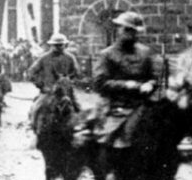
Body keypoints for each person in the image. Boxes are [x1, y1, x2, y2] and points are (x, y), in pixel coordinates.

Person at [91, 11, 158, 148]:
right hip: (116, 106)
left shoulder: (145, 52)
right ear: (119, 29)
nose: (130, 33)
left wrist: (150, 84)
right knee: (113, 143)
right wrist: (127, 85)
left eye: (133, 31)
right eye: (126, 29)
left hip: (142, 105)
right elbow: (99, 84)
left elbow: (152, 77)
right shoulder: (107, 55)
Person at [27, 32, 81, 133]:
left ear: (65, 45)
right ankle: (33, 125)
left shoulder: (70, 57)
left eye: (61, 45)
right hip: (49, 91)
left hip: (66, 92)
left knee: (77, 108)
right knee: (38, 107)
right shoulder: (44, 58)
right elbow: (31, 72)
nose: (59, 47)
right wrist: (41, 85)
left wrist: (70, 80)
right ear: (51, 45)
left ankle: (78, 128)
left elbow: (77, 72)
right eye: (56, 45)